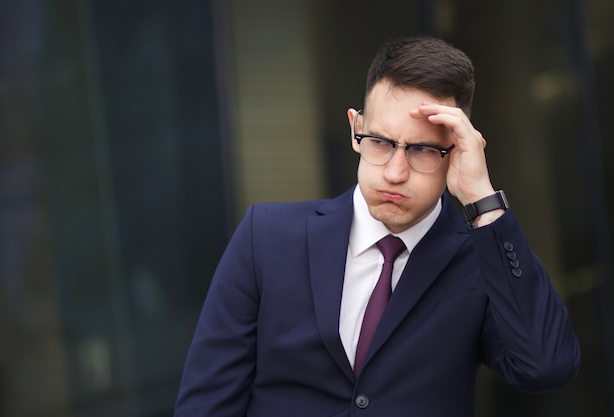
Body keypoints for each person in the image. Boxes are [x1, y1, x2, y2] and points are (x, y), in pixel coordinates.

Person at [174, 36, 580, 417]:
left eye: (422, 149)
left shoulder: (480, 261)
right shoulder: (266, 237)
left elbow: (547, 366)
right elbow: (206, 404)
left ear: (457, 151)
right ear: (356, 128)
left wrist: (482, 200)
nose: (395, 172)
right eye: (381, 143)